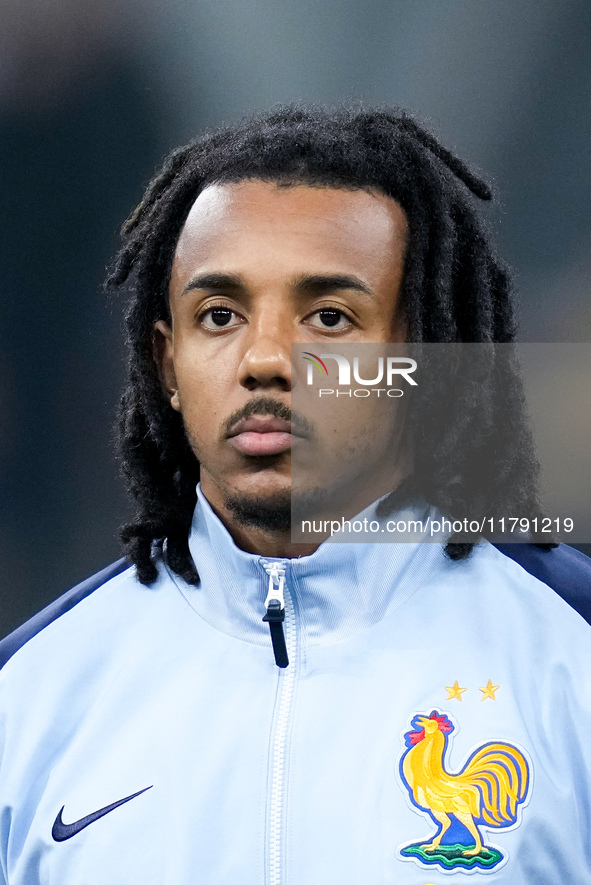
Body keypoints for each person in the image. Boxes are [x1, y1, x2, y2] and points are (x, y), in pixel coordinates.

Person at [1, 105, 590, 884]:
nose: (267, 359)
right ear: (167, 363)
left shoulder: (567, 653)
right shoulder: (29, 694)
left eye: (328, 316)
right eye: (219, 315)